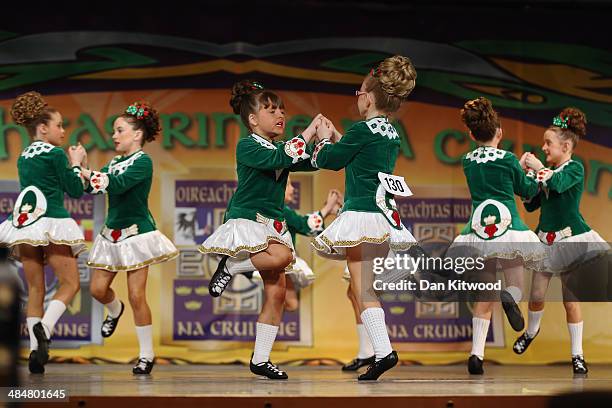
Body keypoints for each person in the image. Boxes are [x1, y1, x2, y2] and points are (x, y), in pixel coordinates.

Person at [199, 80, 321, 379]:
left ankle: (261, 359)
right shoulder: (248, 145)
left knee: (277, 293)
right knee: (282, 258)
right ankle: (232, 265)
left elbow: (312, 162)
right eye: (270, 110)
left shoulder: (280, 148)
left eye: (281, 109)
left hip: (272, 223)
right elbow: (278, 158)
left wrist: (327, 142)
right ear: (253, 119)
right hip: (249, 219)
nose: (280, 114)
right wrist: (307, 133)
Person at [310, 55, 418, 380]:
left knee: (362, 289)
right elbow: (360, 161)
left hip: (361, 216)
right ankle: (379, 351)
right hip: (382, 218)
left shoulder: (361, 131)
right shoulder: (390, 133)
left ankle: (384, 352)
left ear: (368, 97)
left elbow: (331, 160)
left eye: (358, 93)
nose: (357, 99)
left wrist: (323, 138)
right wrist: (339, 138)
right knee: (363, 288)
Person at [77, 102, 178, 375]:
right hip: (111, 233)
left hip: (136, 234)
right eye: (113, 131)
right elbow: (96, 188)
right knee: (98, 290)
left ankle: (146, 354)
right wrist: (82, 169)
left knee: (136, 295)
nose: (114, 135)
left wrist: (85, 170)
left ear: (136, 135)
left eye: (119, 130)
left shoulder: (143, 161)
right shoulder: (114, 162)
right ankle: (114, 308)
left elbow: (117, 184)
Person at [447, 96, 543, 375]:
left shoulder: (468, 161)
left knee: (484, 293)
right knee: (515, 282)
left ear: (471, 133)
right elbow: (525, 191)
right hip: (508, 227)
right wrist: (531, 172)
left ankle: (476, 355)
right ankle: (509, 296)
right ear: (499, 133)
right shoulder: (509, 159)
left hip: (478, 231)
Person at [513, 107, 610, 374]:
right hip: (547, 240)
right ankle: (531, 332)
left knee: (571, 301)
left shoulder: (574, 169)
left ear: (566, 146)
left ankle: (577, 354)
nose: (543, 147)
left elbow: (557, 184)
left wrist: (540, 170)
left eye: (548, 143)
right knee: (535, 295)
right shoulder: (547, 171)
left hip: (572, 241)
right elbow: (531, 203)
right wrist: (521, 174)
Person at [0, 91, 87, 374]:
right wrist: (76, 163)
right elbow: (75, 190)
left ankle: (37, 356)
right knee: (70, 284)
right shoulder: (55, 154)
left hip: (25, 227)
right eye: (59, 125)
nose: (63, 131)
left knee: (36, 288)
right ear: (42, 128)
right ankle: (45, 330)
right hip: (52, 222)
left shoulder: (24, 156)